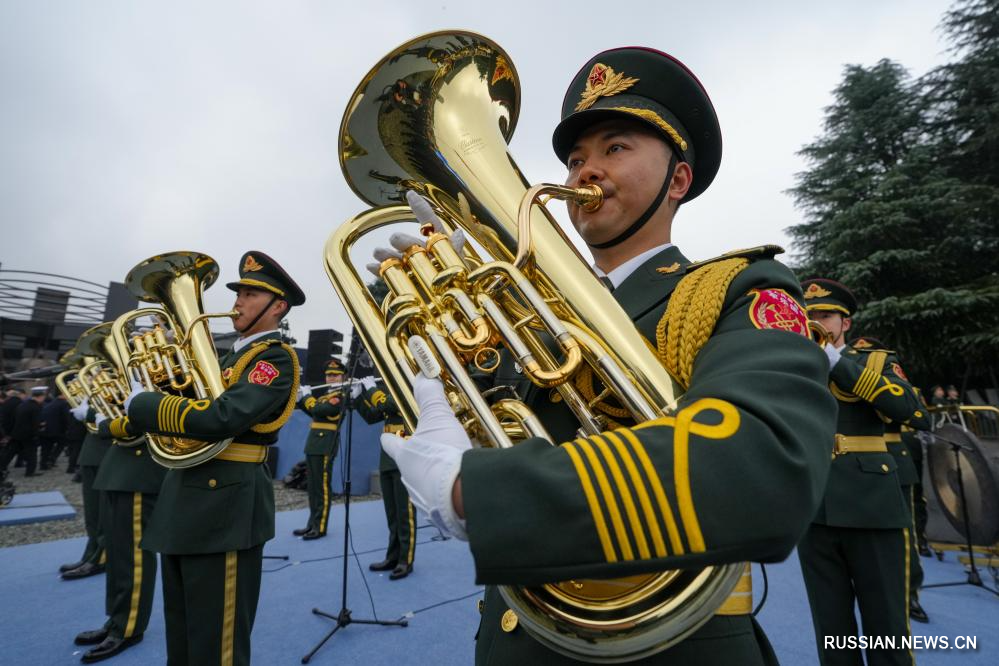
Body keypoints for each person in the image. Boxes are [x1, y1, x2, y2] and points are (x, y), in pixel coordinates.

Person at [380, 47, 837, 664]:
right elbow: (493, 425)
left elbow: (767, 464)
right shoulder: (523, 310)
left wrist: (473, 493)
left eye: (615, 148)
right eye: (574, 159)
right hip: (519, 634)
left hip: (674, 646)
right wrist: (441, 310)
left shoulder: (738, 289)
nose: (584, 172)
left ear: (678, 181)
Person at [109, 251, 304, 666]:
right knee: (182, 631)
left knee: (217, 644)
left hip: (225, 505)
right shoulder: (227, 357)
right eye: (238, 293)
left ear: (278, 307)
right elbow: (193, 409)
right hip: (187, 498)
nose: (237, 302)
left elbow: (223, 417)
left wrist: (145, 405)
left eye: (250, 295)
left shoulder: (274, 358)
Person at [798, 279, 931, 665]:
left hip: (871, 505)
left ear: (846, 323)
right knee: (831, 629)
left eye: (825, 315)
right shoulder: (794, 365)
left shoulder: (875, 361)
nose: (816, 321)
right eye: (808, 315)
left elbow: (915, 412)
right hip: (813, 505)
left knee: (886, 624)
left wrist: (837, 363)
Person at [72, 402, 169, 662]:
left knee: (132, 557)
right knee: (117, 555)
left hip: (141, 466)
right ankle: (117, 620)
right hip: (121, 465)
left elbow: (152, 416)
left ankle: (129, 626)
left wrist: (103, 421)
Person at [850, 336, 932, 624]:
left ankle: (909, 593)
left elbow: (916, 414)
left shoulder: (888, 373)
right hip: (851, 466)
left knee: (903, 536)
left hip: (891, 458)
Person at [357, 378, 415, 581]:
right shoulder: (391, 390)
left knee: (405, 512)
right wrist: (358, 397)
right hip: (387, 456)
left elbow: (389, 404)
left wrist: (371, 389)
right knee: (392, 513)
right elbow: (372, 415)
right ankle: (392, 556)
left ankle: (406, 560)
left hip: (405, 454)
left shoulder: (410, 385)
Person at [292, 358, 354, 540]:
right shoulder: (325, 396)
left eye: (335, 375)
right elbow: (314, 412)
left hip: (326, 444)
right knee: (313, 487)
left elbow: (320, 410)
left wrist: (307, 397)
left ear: (343, 377)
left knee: (322, 488)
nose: (331, 378)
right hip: (314, 444)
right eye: (329, 375)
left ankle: (320, 527)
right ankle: (311, 524)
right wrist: (301, 400)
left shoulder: (341, 396)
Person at [2, 386, 47, 477]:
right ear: (41, 396)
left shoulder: (23, 404)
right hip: (29, 434)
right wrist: (38, 430)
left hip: (17, 433)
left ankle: (2, 467)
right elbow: (35, 422)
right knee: (31, 454)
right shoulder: (35, 407)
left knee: (10, 452)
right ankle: (30, 472)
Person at [40, 392, 70, 470]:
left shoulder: (52, 402)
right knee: (62, 443)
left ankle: (43, 463)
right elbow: (66, 417)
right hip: (58, 430)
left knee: (46, 447)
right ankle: (51, 460)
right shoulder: (64, 404)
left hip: (46, 429)